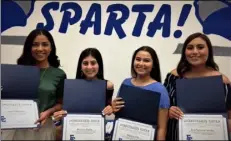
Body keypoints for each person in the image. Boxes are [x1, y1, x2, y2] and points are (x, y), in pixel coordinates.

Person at [1, 29, 66, 140]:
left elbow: (61, 103)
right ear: (29, 48)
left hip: (44, 128)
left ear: (51, 47)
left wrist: (49, 112)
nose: (40, 49)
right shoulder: (17, 71)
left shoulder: (59, 74)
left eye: (45, 44)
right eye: (35, 45)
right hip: (18, 128)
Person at [164, 32, 231, 140]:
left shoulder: (222, 81)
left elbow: (229, 117)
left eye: (200, 47)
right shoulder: (173, 77)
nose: (195, 52)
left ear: (208, 50)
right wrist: (168, 111)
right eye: (190, 48)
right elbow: (162, 108)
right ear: (184, 52)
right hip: (174, 135)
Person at [52, 48, 114, 140]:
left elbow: (109, 105)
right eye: (85, 63)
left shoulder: (108, 86)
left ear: (99, 65)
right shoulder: (71, 87)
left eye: (93, 63)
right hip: (75, 132)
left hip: (96, 133)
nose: (89, 67)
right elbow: (65, 115)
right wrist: (57, 119)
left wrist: (111, 108)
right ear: (80, 66)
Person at [111, 46, 170, 140]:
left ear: (153, 64)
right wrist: (113, 108)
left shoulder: (160, 90)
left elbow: (162, 128)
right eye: (138, 59)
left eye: (146, 60)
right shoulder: (125, 83)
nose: (141, 63)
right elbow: (118, 115)